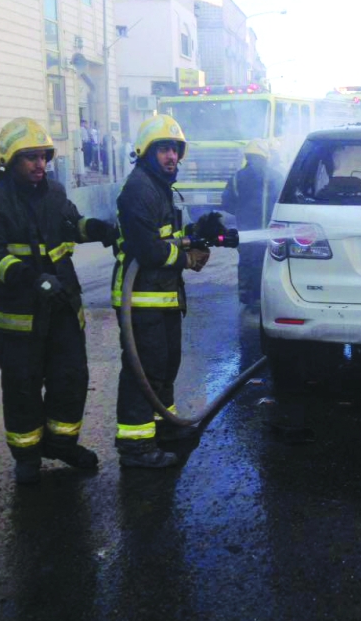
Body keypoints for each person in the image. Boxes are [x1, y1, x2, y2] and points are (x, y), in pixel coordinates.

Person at [0, 117, 117, 485]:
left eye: (43, 157)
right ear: (9, 161)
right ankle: (27, 455)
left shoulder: (54, 192)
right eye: (30, 158)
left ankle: (62, 444)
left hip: (62, 307)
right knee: (23, 385)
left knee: (71, 377)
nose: (39, 165)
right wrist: (31, 279)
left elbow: (70, 225)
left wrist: (93, 229)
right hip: (17, 318)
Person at [112, 114, 221, 469]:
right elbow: (148, 249)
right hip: (140, 299)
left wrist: (201, 229)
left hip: (162, 295)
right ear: (145, 153)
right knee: (144, 369)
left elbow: (171, 234)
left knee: (166, 363)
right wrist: (186, 258)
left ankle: (163, 428)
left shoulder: (162, 188)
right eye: (162, 149)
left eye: (174, 149)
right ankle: (135, 447)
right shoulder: (138, 189)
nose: (171, 156)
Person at [222, 140, 283, 307]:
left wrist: (241, 212)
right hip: (268, 232)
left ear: (248, 156)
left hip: (245, 233)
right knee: (264, 263)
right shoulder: (276, 176)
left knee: (246, 261)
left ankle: (245, 295)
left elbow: (226, 203)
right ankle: (261, 296)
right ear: (265, 156)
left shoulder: (237, 178)